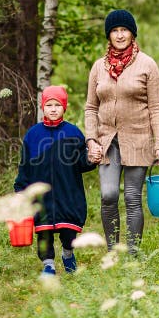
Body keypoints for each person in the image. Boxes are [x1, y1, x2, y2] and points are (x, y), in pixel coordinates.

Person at [85, 9, 159, 255]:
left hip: (138, 139)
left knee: (133, 198)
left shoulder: (147, 64)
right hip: (107, 141)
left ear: (132, 33)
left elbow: (156, 107)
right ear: (108, 35)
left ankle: (132, 255)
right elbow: (91, 107)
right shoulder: (99, 67)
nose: (120, 35)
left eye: (124, 30)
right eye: (115, 30)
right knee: (109, 195)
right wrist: (91, 139)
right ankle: (113, 252)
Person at [14, 86, 96, 275]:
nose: (53, 109)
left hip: (68, 193)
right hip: (42, 196)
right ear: (43, 107)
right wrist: (20, 189)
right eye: (49, 104)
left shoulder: (73, 133)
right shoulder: (33, 135)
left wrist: (92, 158)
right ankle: (48, 264)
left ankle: (68, 253)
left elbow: (82, 163)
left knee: (69, 232)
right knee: (44, 232)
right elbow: (25, 165)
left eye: (57, 105)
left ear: (64, 107)